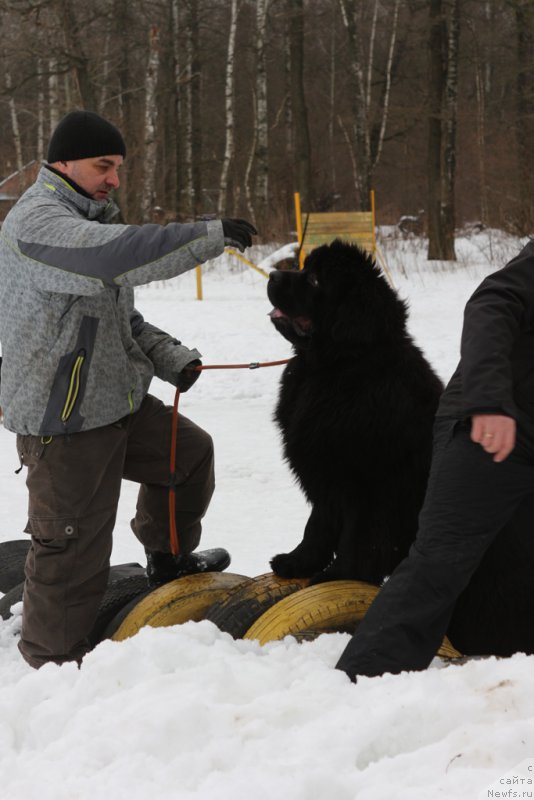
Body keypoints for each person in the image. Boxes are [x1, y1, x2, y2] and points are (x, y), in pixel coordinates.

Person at [0, 110, 257, 668]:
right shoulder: (38, 223)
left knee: (188, 456)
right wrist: (205, 234)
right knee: (72, 546)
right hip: (64, 420)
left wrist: (172, 359)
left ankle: (166, 560)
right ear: (62, 162)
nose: (114, 178)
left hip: (117, 402)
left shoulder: (85, 215)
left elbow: (119, 319)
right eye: (103, 166)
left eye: (118, 167)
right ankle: (50, 664)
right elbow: (114, 257)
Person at [336, 240, 534, 680]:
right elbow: (491, 304)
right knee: (441, 560)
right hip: (491, 423)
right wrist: (490, 402)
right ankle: (363, 682)